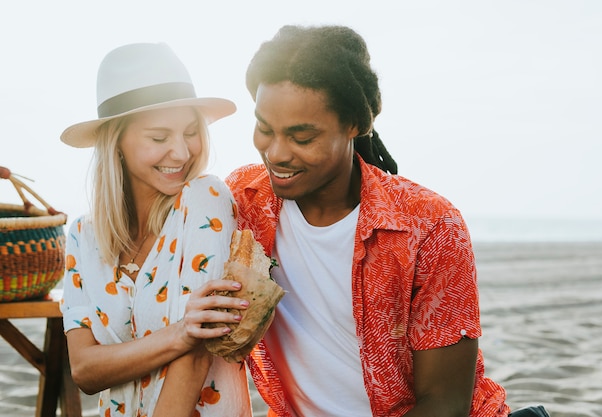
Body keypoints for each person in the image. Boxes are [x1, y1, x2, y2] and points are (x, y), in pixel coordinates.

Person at [226, 25, 551, 417]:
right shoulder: (243, 199)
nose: (275, 152)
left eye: (302, 137)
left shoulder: (429, 226)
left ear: (354, 126)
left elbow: (445, 404)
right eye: (264, 128)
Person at [60, 43, 253, 417]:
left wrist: (186, 339)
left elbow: (197, 356)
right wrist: (179, 333)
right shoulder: (83, 235)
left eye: (190, 132)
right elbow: (84, 369)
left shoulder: (205, 198)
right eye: (159, 137)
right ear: (116, 142)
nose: (181, 153)